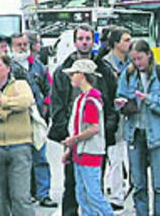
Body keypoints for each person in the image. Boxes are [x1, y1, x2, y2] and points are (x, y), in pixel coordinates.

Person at [48, 24, 118, 216]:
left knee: (93, 189)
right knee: (74, 187)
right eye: (81, 38)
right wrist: (67, 137)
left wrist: (108, 129)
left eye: (88, 38)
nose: (84, 42)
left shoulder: (102, 75)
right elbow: (57, 106)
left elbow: (106, 111)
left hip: (92, 146)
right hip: (73, 139)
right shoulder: (63, 72)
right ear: (75, 41)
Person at [115, 39, 160, 216]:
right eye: (133, 60)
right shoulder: (128, 75)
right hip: (135, 134)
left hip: (158, 135)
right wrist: (121, 103)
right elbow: (119, 97)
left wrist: (149, 99)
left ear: (149, 55)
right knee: (138, 184)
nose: (137, 63)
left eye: (140, 59)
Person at [0, 53, 35, 216]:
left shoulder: (21, 85)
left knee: (21, 196)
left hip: (20, 146)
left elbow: (26, 101)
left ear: (8, 68)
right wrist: (8, 111)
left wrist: (1, 102)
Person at [60, 59, 114, 216]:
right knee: (82, 193)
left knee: (93, 194)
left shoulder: (90, 99)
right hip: (80, 153)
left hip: (90, 152)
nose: (70, 77)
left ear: (81, 75)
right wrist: (71, 148)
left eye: (73, 74)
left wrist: (74, 140)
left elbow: (93, 128)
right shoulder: (82, 98)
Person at [10, 33, 56, 208]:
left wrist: (45, 105)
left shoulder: (39, 67)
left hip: (36, 119)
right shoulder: (9, 67)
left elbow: (49, 89)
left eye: (24, 44)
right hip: (17, 121)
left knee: (40, 157)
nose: (22, 47)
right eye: (18, 44)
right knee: (21, 161)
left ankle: (44, 193)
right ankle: (26, 194)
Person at [100, 27, 132, 211]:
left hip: (130, 113)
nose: (129, 43)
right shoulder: (105, 64)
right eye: (126, 40)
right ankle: (116, 195)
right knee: (116, 156)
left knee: (128, 156)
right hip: (113, 115)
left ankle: (124, 189)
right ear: (116, 43)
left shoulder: (132, 63)